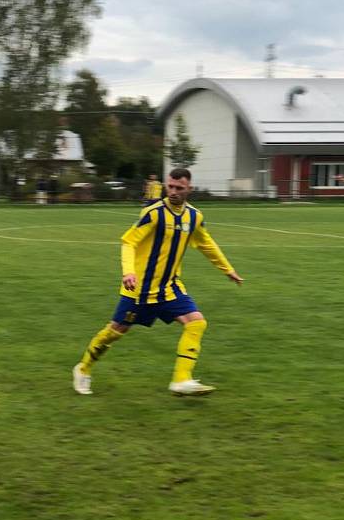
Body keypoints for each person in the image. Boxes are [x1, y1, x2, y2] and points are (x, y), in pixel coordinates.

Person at [73, 167, 244, 397]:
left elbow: (207, 244)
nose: (172, 191)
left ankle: (181, 380)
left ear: (189, 189)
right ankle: (83, 369)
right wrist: (128, 272)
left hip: (169, 288)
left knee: (196, 323)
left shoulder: (194, 216)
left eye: (179, 188)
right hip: (139, 289)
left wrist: (228, 270)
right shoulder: (153, 213)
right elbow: (128, 242)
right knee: (116, 331)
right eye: (170, 186)